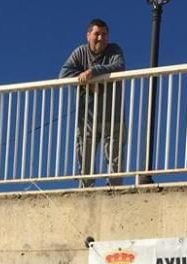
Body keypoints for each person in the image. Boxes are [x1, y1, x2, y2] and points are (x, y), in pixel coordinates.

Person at [60, 18, 126, 187]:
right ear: (88, 35)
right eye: (97, 34)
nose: (100, 38)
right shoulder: (80, 52)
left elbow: (119, 66)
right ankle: (86, 191)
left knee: (114, 157)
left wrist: (93, 72)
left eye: (104, 35)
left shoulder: (114, 50)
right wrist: (87, 84)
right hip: (87, 118)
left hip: (113, 117)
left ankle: (114, 191)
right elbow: (64, 74)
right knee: (84, 156)